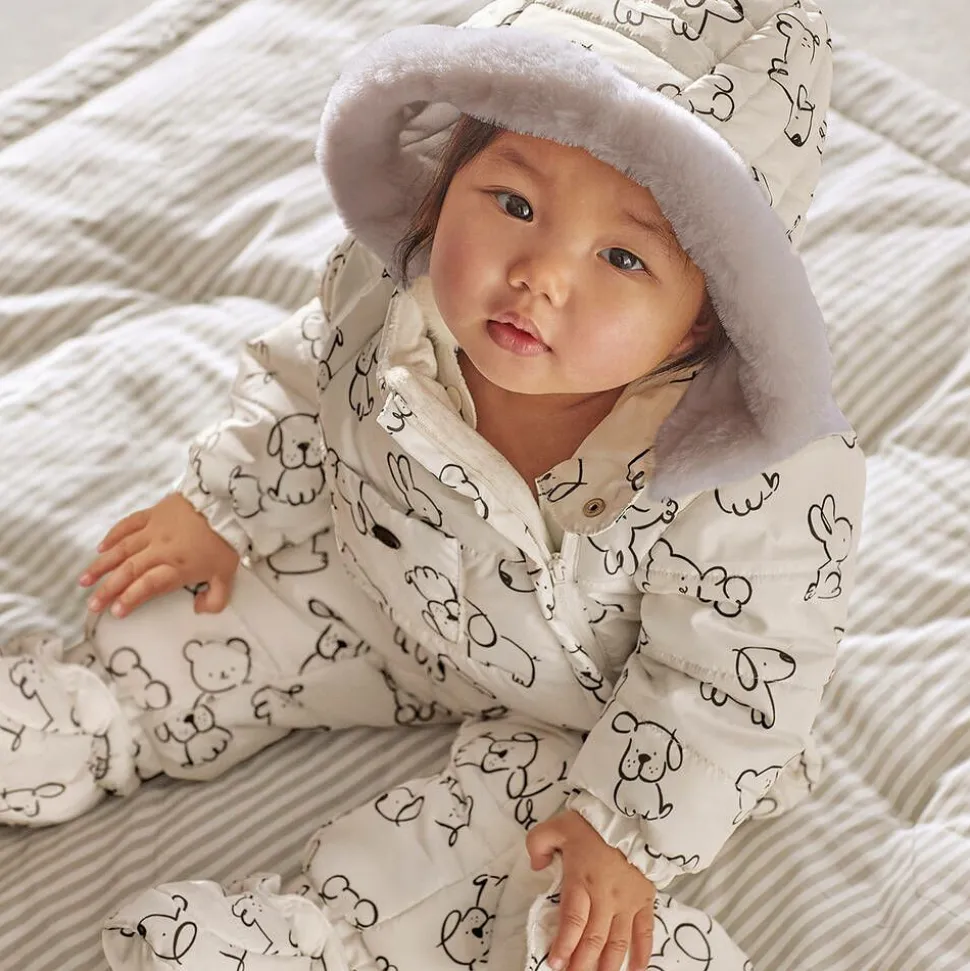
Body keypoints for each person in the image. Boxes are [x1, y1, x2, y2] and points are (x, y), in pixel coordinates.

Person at [0, 1, 866, 969]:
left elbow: (736, 677)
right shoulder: (390, 299)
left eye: (622, 257)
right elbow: (304, 382)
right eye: (514, 204)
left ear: (706, 317)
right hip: (387, 573)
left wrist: (627, 828)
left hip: (598, 704)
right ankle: (74, 714)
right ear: (444, 183)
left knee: (513, 854)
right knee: (213, 602)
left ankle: (314, 941)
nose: (539, 275)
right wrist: (221, 502)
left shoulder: (757, 475)